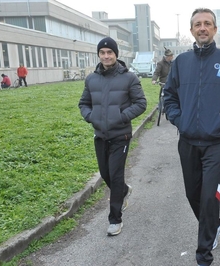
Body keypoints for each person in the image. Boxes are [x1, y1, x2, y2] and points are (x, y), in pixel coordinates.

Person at [163, 8, 220, 266]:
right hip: (188, 141)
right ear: (191, 30)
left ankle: (204, 254)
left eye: (208, 24)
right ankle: (214, 226)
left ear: (215, 29)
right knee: (193, 194)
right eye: (198, 24)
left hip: (216, 143)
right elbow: (169, 97)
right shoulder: (181, 63)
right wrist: (179, 119)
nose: (203, 28)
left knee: (208, 196)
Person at [78, 37, 147, 236]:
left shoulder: (129, 78)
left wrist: (120, 117)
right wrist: (91, 117)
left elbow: (141, 103)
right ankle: (124, 191)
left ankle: (115, 219)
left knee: (115, 175)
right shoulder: (91, 79)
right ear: (98, 55)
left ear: (116, 54)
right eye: (103, 53)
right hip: (100, 135)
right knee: (106, 173)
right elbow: (84, 103)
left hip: (120, 136)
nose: (106, 56)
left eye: (110, 52)